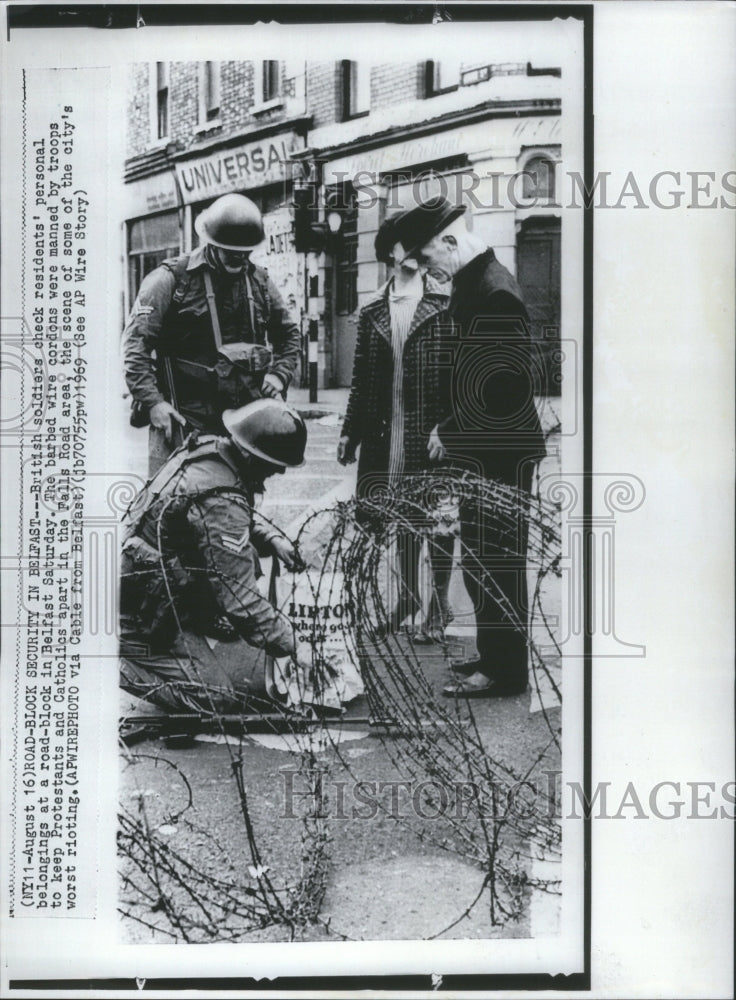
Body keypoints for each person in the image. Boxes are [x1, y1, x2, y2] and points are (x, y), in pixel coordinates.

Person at [394, 196, 546, 697]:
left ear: (452, 242)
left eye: (429, 259)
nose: (427, 271)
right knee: (482, 560)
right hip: (487, 450)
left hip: (499, 452)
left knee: (496, 562)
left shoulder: (493, 292)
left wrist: (450, 431)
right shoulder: (474, 282)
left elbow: (505, 385)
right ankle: (493, 654)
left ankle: (503, 672)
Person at [119, 398, 313, 715]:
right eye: (275, 462)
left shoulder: (212, 452)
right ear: (252, 455)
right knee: (215, 697)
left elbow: (223, 519)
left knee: (240, 562)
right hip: (140, 610)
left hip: (148, 581)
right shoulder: (221, 497)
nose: (279, 470)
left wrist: (272, 539)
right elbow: (241, 602)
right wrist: (297, 644)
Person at [337, 212, 455, 641]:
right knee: (399, 514)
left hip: (429, 430)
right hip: (386, 433)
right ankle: (408, 596)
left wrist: (448, 426)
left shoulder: (443, 302)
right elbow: (362, 377)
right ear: (391, 251)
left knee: (438, 517)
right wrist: (350, 430)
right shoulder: (373, 309)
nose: (417, 251)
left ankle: (439, 605)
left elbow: (455, 373)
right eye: (407, 243)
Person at [122, 193, 301, 475]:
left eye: (246, 254)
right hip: (183, 418)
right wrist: (154, 403)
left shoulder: (260, 281)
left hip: (242, 420)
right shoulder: (169, 279)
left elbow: (290, 334)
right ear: (211, 243)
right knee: (170, 501)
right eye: (232, 253)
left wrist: (279, 375)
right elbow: (136, 346)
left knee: (233, 506)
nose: (240, 261)